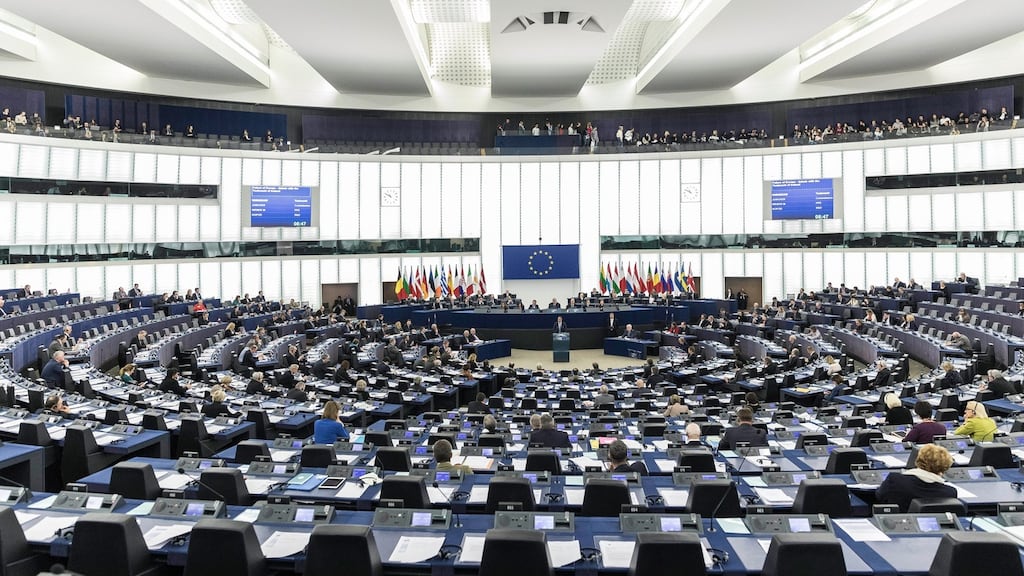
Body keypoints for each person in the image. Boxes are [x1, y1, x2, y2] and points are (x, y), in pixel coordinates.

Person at [876, 444, 956, 512]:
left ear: (918, 459)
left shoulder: (895, 480)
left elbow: (879, 496)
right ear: (945, 467)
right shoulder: (950, 492)